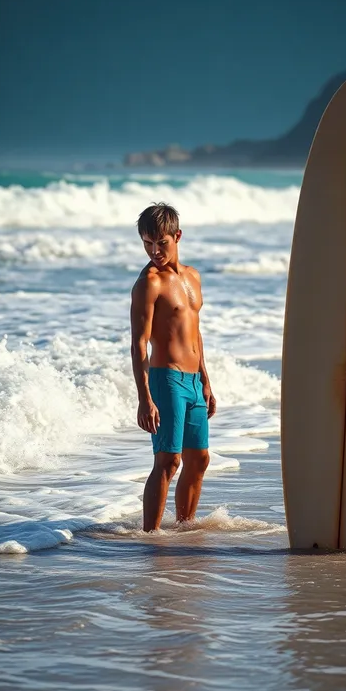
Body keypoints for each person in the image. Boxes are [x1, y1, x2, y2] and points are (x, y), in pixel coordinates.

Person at [130, 202, 216, 531]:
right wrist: (145, 398)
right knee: (168, 461)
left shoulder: (192, 277)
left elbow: (194, 333)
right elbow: (139, 343)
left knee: (199, 460)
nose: (154, 251)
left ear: (177, 236)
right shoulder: (149, 283)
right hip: (165, 381)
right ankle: (150, 538)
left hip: (193, 381)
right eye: (147, 243)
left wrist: (206, 381)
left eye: (161, 243)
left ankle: (184, 529)